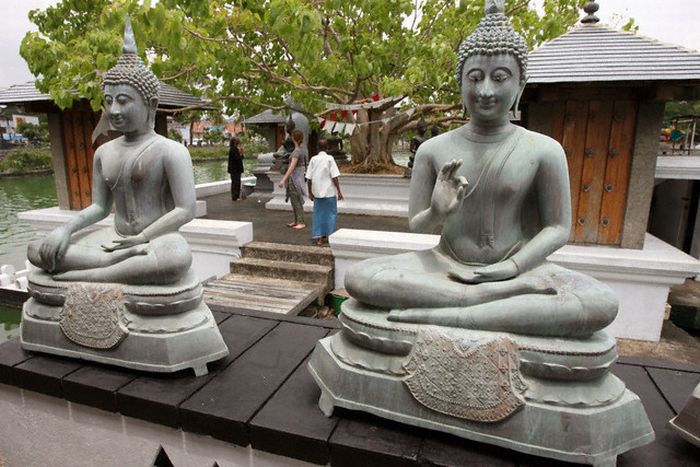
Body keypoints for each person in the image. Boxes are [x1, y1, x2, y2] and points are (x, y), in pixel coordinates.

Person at [343, 4, 617, 337]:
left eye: (500, 78)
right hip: (444, 265)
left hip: (518, 270)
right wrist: (437, 211)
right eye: (475, 78)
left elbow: (558, 227)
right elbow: (418, 225)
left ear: (520, 85)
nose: (485, 90)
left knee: (600, 303)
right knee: (360, 278)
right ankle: (483, 302)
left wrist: (511, 268)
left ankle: (460, 312)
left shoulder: (545, 150)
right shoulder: (432, 150)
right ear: (461, 83)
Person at [26, 17, 195, 285]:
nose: (114, 110)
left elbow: (185, 210)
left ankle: (93, 273)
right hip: (114, 241)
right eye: (108, 101)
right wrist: (65, 229)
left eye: (123, 101)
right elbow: (100, 207)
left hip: (154, 240)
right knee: (38, 249)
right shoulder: (103, 152)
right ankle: (109, 264)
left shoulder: (171, 151)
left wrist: (141, 238)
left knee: (177, 258)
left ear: (150, 103)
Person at [306, 139, 344, 245]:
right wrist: (339, 191)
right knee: (331, 214)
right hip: (329, 192)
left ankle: (319, 237)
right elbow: (334, 177)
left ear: (317, 148)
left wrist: (310, 192)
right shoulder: (330, 159)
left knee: (318, 214)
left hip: (317, 192)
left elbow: (309, 178)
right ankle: (328, 235)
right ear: (328, 148)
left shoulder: (313, 159)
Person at [278, 129, 307, 229]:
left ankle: (301, 222)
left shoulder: (296, 152)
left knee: (296, 200)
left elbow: (292, 166)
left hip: (295, 178)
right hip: (296, 177)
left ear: (294, 138)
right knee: (294, 200)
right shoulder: (299, 150)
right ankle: (296, 220)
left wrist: (283, 179)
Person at [227, 136, 244, 201]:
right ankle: (235, 197)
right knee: (235, 182)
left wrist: (241, 153)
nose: (238, 142)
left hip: (237, 169)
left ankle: (237, 196)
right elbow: (237, 158)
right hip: (234, 169)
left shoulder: (236, 149)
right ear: (234, 142)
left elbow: (241, 158)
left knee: (237, 182)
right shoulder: (233, 149)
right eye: (237, 141)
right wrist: (240, 153)